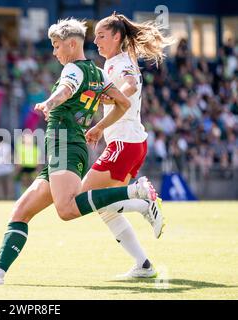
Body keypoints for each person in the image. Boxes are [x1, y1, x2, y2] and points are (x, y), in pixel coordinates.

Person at [0, 18, 157, 285]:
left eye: (56, 46)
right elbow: (124, 102)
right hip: (64, 145)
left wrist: (49, 101)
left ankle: (133, 192)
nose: (55, 52)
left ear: (71, 44)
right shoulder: (99, 73)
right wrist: (99, 124)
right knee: (21, 212)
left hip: (66, 143)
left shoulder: (73, 69)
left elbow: (66, 90)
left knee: (66, 210)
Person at [80, 12, 174, 278]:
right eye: (95, 36)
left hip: (124, 144)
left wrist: (104, 109)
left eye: (101, 36)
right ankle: (143, 265)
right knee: (106, 208)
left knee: (82, 196)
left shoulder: (117, 64)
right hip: (132, 143)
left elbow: (130, 86)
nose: (95, 41)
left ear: (117, 37)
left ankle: (142, 198)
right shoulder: (119, 61)